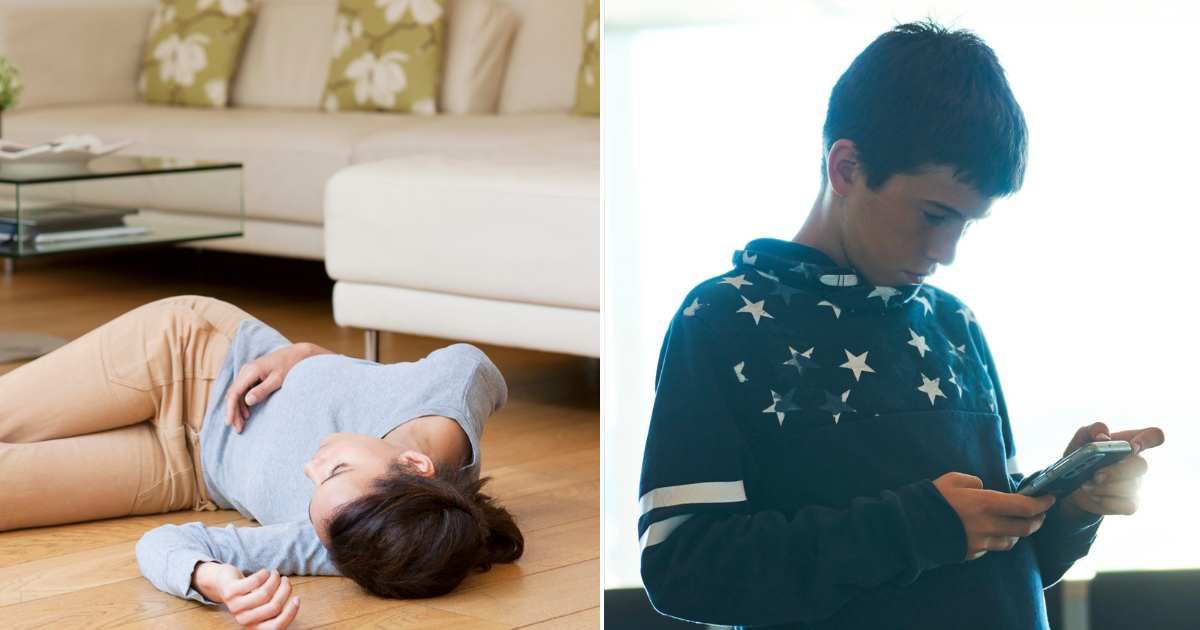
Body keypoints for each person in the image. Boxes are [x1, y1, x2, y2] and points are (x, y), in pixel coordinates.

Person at [637, 21, 1164, 630]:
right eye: (934, 214)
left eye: (967, 224)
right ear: (846, 167)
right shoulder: (721, 320)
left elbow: (999, 568)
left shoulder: (954, 324)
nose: (946, 252)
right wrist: (918, 528)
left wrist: (1069, 507)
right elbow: (683, 570)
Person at [0, 294, 523, 628]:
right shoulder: (450, 388)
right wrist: (307, 353)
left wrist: (216, 581)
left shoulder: (352, 542)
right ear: (414, 463)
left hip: (186, 469)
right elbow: (471, 360)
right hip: (193, 359)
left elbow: (167, 543)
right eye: (336, 470)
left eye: (317, 486)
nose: (309, 468)